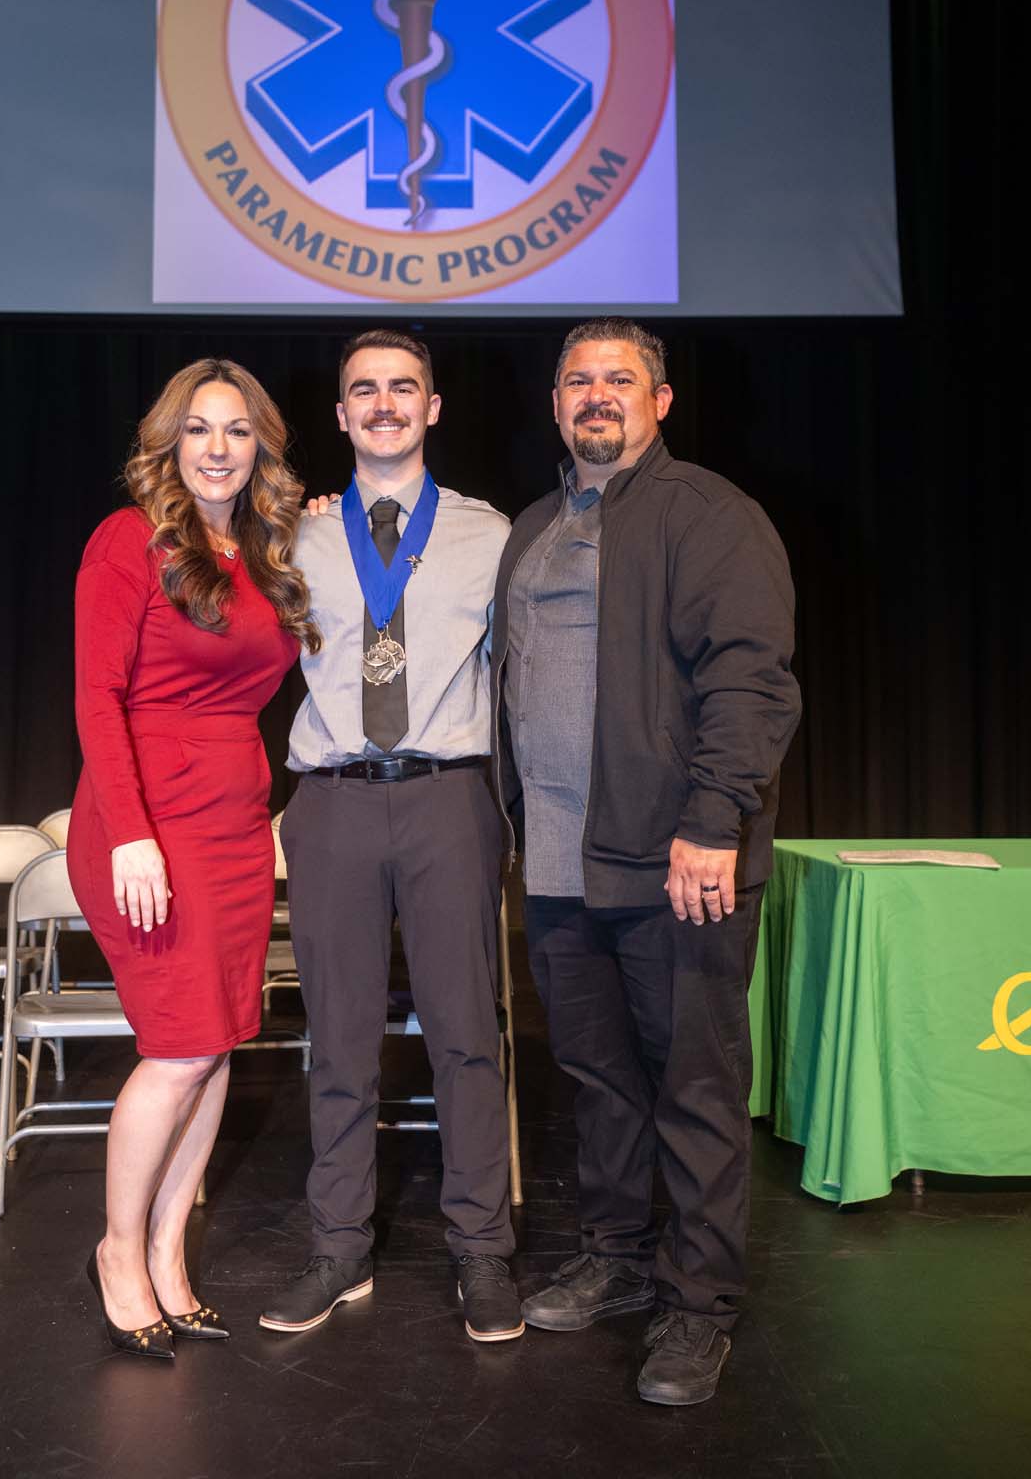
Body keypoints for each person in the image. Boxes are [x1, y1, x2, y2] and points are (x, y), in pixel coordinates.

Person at [491, 318, 801, 1406]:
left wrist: (714, 821)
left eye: (620, 379)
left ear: (659, 402)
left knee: (698, 1091)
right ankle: (617, 1258)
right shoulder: (532, 528)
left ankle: (696, 1306)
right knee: (600, 1083)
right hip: (561, 867)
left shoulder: (709, 516)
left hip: (677, 865)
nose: (596, 395)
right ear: (556, 401)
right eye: (578, 379)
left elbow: (752, 682)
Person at [258, 329, 523, 1344]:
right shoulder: (294, 538)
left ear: (433, 408)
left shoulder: (491, 536)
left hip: (448, 798)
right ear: (339, 415)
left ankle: (483, 1252)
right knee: (338, 1036)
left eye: (401, 388)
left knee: (466, 1033)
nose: (383, 403)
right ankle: (338, 1247)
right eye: (363, 390)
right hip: (331, 802)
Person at [68, 357, 315, 1360]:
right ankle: (118, 1251)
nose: (218, 449)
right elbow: (98, 695)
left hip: (233, 823)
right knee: (175, 1048)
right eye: (200, 429)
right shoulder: (129, 541)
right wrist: (131, 830)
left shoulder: (262, 551)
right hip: (147, 825)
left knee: (215, 1045)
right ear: (170, 441)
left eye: (238, 430)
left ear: (261, 446)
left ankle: (171, 1254)